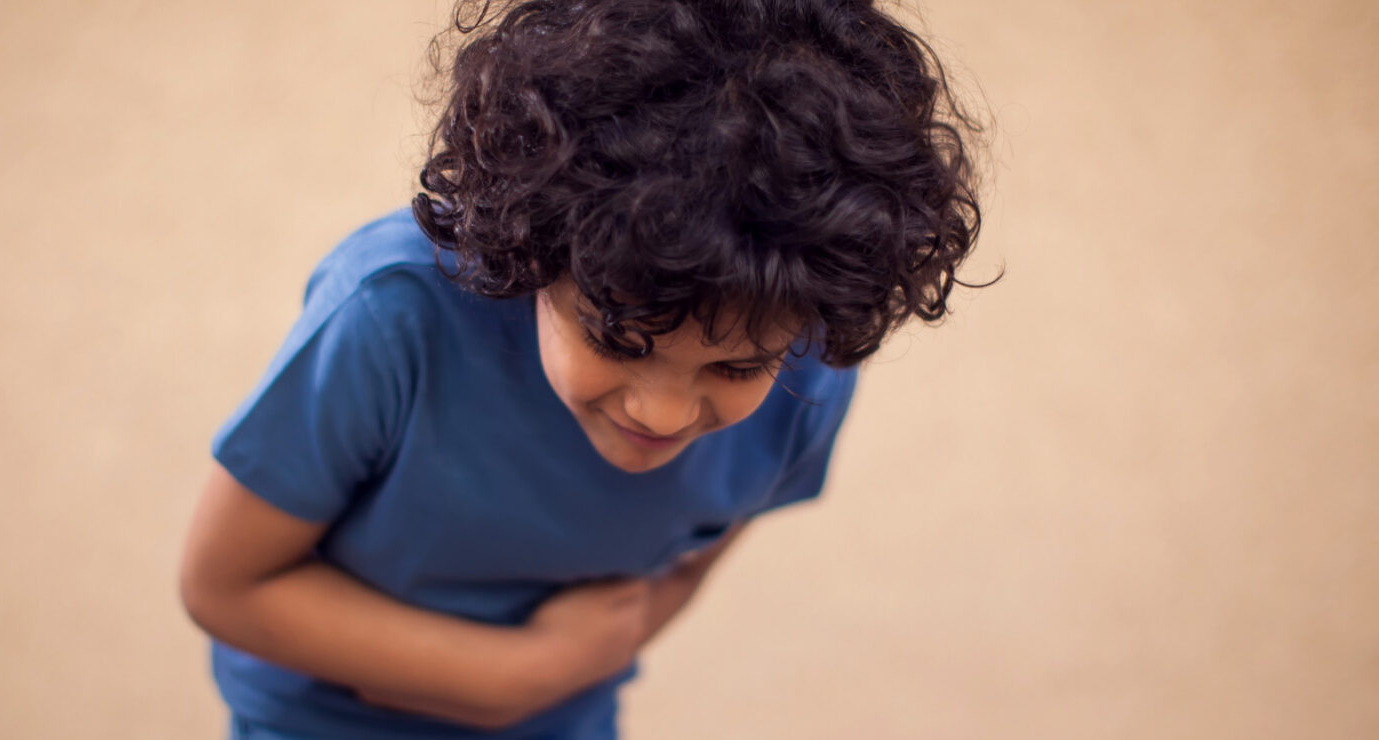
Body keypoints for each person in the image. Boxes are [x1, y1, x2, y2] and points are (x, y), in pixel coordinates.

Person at [179, 0, 988, 737]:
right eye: (619, 340)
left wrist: (569, 673)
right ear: (529, 252)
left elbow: (685, 561)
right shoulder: (392, 316)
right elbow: (226, 585)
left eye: (735, 367)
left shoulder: (806, 375)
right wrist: (515, 676)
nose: (665, 414)